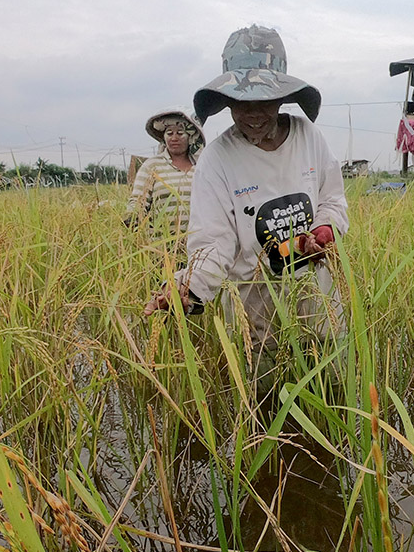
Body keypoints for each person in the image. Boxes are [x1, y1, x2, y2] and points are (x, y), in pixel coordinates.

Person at [144, 25, 348, 353]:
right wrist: (188, 289)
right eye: (241, 101)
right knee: (263, 395)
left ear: (282, 97)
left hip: (317, 296)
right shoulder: (216, 159)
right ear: (225, 100)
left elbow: (333, 199)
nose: (253, 113)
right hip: (254, 307)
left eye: (264, 100)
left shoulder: (309, 137)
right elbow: (214, 243)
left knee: (334, 384)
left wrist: (324, 231)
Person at [126, 109, 204, 248]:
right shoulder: (153, 165)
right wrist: (132, 216)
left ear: (191, 137)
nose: (174, 138)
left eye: (180, 133)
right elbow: (139, 200)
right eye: (169, 133)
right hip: (161, 248)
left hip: (198, 247)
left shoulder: (202, 167)